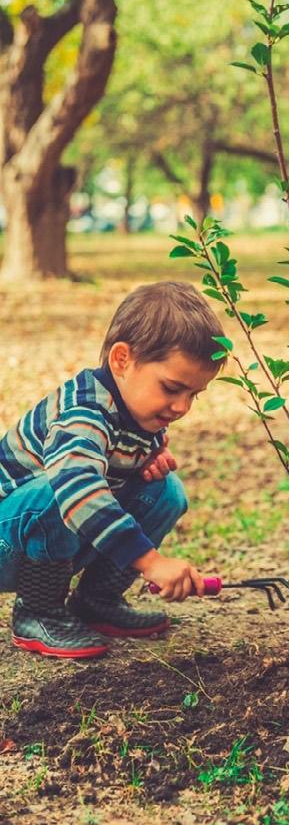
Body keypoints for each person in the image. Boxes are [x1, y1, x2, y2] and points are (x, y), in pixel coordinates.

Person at [0, 280, 225, 659]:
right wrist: (151, 563)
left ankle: (96, 600)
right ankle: (37, 612)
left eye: (194, 394)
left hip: (56, 541)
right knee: (64, 490)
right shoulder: (83, 413)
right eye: (172, 388)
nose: (183, 406)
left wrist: (142, 467)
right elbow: (78, 489)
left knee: (166, 492)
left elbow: (118, 471)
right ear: (122, 360)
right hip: (8, 544)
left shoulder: (137, 412)